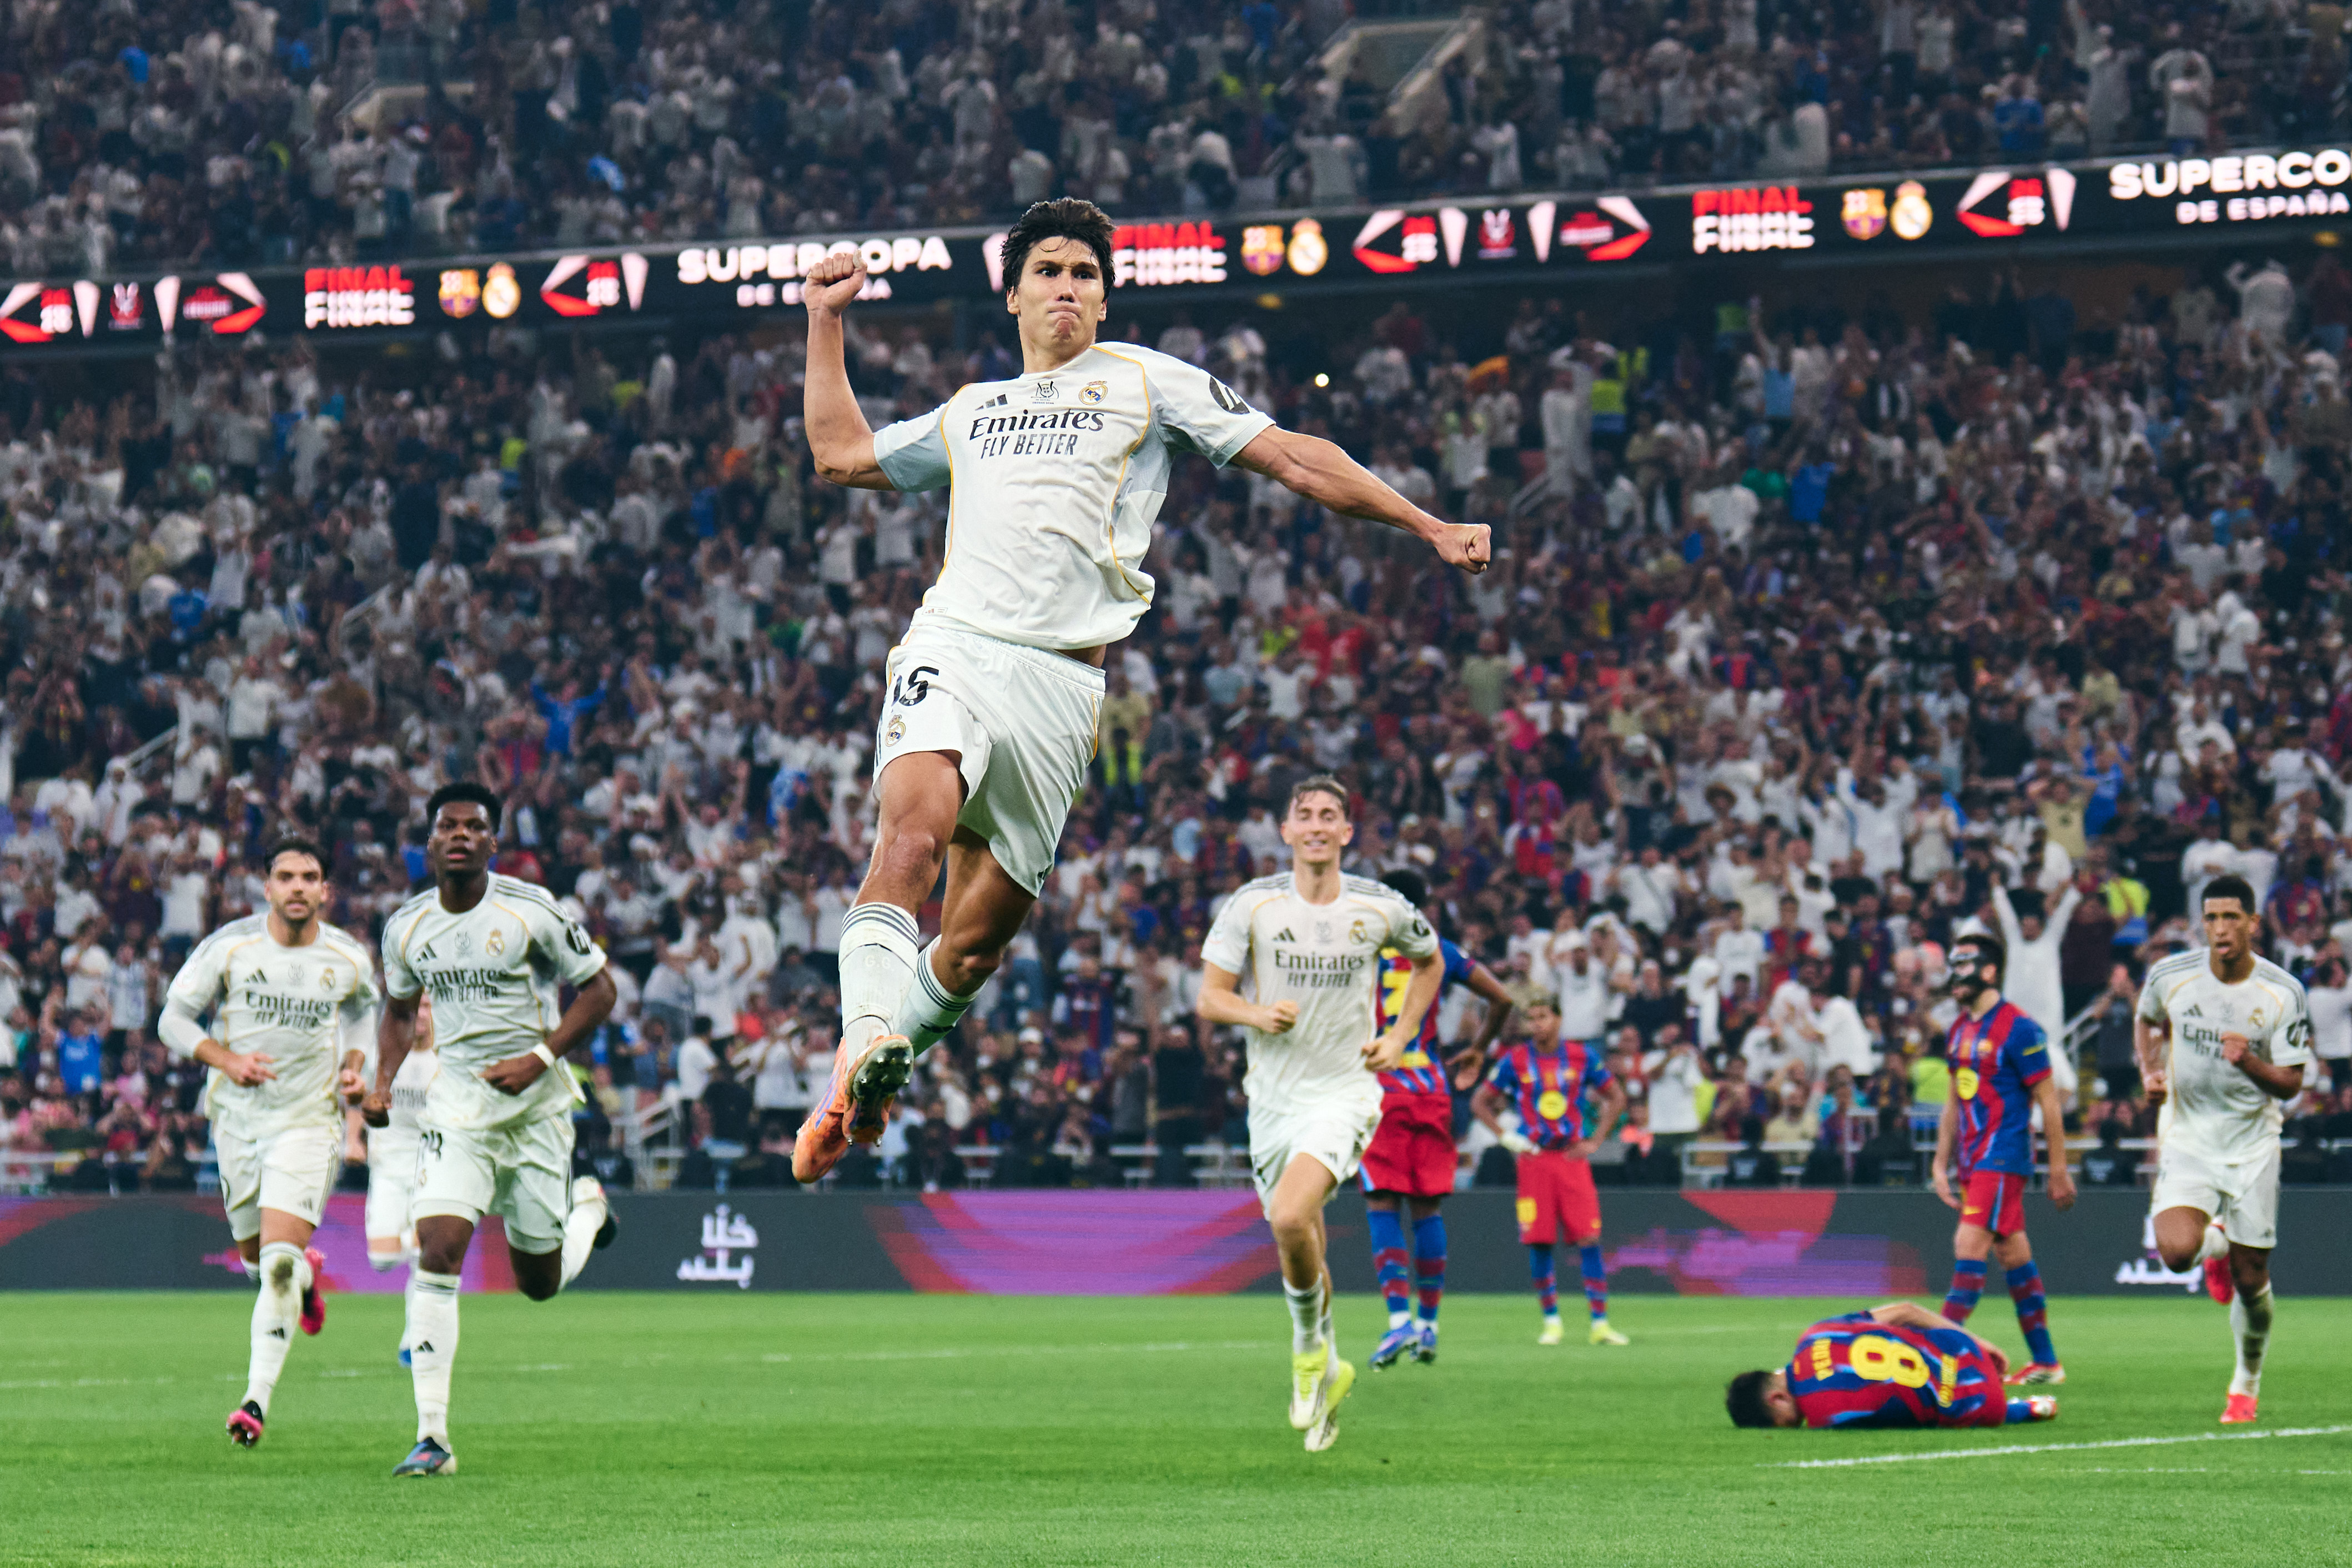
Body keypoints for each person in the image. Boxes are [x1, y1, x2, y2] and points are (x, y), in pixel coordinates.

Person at [792, 198, 1489, 1184]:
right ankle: (862, 1045)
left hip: (1064, 685)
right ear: (1015, 295)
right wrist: (826, 319)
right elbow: (838, 455)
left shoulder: (1147, 383)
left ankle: (876, 1066)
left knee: (976, 940)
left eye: (1084, 272)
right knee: (911, 833)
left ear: (1105, 296)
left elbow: (1293, 455)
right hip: (956, 643)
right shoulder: (970, 410)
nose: (1067, 286)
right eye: (1048, 271)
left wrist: (1425, 524)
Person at [363, 783, 621, 1477]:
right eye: (447, 826)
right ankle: (433, 1437)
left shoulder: (531, 911)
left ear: (492, 842)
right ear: (429, 842)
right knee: (437, 1249)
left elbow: (600, 990)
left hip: (536, 1111)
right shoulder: (407, 928)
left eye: (474, 826)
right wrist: (383, 1079)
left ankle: (587, 1213)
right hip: (457, 1110)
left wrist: (539, 1057)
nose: (460, 836)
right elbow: (397, 1009)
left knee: (538, 1282)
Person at [1196, 776, 1443, 1453]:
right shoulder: (1255, 905)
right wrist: (1255, 1012)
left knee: (1288, 1216)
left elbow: (1431, 961)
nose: (1316, 825)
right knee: (1299, 1236)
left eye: (1329, 815)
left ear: (1346, 833)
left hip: (1346, 1090)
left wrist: (1398, 1038)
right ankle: (1331, 1368)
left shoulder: (1379, 905)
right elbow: (1211, 996)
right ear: (1285, 831)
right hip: (1272, 1101)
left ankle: (1308, 1356)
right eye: (1303, 814)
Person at [157, 838, 380, 1449]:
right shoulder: (231, 946)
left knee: (277, 1263)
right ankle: (305, 1284)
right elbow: (172, 1020)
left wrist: (357, 1064)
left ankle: (254, 1401)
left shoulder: (346, 956)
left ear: (325, 890)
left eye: (310, 876)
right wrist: (225, 1059)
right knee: (263, 1267)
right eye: (286, 876)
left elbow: (366, 1012)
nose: (299, 887)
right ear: (267, 886)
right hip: (236, 1121)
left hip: (308, 1123)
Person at [2133, 874, 2312, 1425]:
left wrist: (2249, 1062)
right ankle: (2214, 1245)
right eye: (2211, 918)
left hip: (2253, 1143)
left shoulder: (2282, 992)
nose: (2220, 928)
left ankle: (2245, 1382)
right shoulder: (2171, 975)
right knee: (2174, 1252)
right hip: (2189, 1135)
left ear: (2253, 923)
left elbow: (2291, 1082)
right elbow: (2145, 1020)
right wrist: (2151, 1069)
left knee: (2253, 1278)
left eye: (2231, 917)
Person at [1361, 867, 1515, 1371]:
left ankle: (1398, 1319)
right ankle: (1429, 1326)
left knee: (1383, 1201)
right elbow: (1504, 998)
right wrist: (1477, 1050)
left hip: (1380, 1084)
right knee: (1427, 1209)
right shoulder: (1439, 950)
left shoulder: (1359, 949)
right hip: (1429, 1087)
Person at [1928, 932, 2075, 1385]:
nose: (1955, 975)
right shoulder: (1959, 1030)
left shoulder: (2020, 1027)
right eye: (1952, 965)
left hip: (2004, 1154)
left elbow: (2049, 1101)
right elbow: (1954, 1101)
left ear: (1990, 971)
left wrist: (2058, 1168)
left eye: (1965, 965)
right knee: (2013, 1257)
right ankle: (2047, 1363)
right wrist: (1940, 1163)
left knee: (1967, 1247)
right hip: (1973, 1161)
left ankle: (1934, 1357)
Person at [1472, 996, 1631, 1347]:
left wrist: (1595, 1141)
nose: (1537, 1025)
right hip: (1534, 1160)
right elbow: (1479, 1101)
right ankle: (1552, 1321)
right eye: (1532, 1019)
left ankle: (1600, 1324)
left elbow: (1616, 1097)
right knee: (1540, 1242)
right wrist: (1506, 1137)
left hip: (1572, 1158)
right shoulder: (1516, 1060)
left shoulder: (1582, 1056)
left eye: (1543, 1017)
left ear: (1559, 1019)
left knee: (1588, 1239)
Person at [1724, 1301, 2059, 1429]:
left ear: (1777, 1399)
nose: (1792, 1427)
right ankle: (2025, 1406)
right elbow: (1907, 1310)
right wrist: (1979, 1343)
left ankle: (2023, 1410)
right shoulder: (1816, 1333)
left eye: (1783, 1425)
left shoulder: (1825, 1419)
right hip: (1964, 1349)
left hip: (1986, 1405)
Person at [364, 992, 438, 1368]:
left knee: (424, 1258)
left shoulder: (448, 1060)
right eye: (415, 1009)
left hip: (433, 1168)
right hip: (389, 1168)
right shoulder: (386, 1054)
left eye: (427, 1007)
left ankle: (415, 1340)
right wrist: (352, 1138)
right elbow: (359, 1099)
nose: (421, 1015)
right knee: (382, 1259)